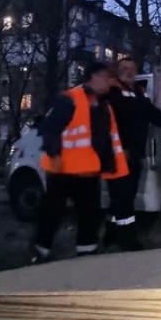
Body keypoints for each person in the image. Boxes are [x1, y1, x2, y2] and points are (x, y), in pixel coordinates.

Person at [32, 62, 128, 262]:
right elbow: (50, 129)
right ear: (94, 77)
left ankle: (86, 256)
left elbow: (109, 140)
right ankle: (39, 253)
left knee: (90, 216)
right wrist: (54, 154)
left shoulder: (104, 106)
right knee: (52, 214)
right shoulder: (71, 99)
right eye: (106, 77)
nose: (110, 82)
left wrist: (114, 167)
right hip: (62, 171)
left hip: (87, 173)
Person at [105, 58, 161, 250]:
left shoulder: (138, 94)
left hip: (134, 155)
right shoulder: (112, 94)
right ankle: (128, 241)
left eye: (132, 68)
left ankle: (110, 235)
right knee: (124, 199)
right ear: (117, 71)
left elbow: (153, 114)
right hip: (118, 155)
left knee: (121, 199)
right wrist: (121, 148)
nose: (128, 71)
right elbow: (106, 125)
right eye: (124, 68)